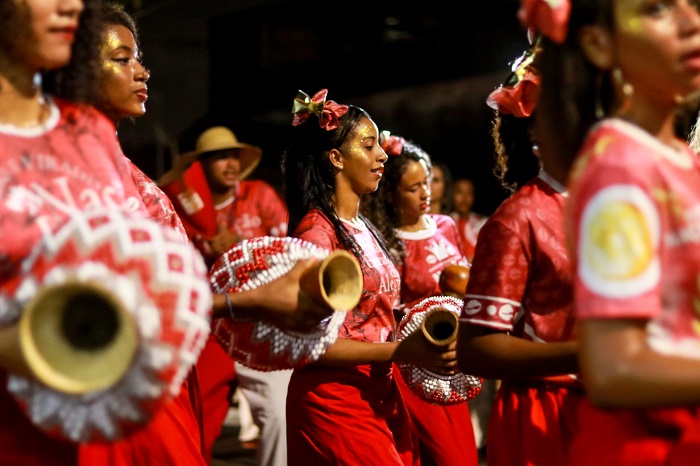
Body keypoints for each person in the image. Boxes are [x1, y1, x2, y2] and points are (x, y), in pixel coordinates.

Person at [0, 0, 184, 463]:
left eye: (137, 58)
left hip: (127, 391)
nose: (142, 72)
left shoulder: (105, 154)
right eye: (122, 59)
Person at [522, 0, 700, 464]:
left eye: (694, 4)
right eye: (657, 8)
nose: (691, 23)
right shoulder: (618, 170)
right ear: (600, 45)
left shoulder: (681, 161)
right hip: (650, 447)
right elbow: (613, 369)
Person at [281, 88, 459, 465]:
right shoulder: (317, 233)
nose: (381, 156)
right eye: (368, 145)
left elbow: (371, 314)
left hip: (379, 390)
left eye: (379, 145)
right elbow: (311, 344)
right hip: (335, 400)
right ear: (335, 158)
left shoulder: (361, 226)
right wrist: (399, 350)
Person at [456, 33, 582, 466]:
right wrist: (584, 354)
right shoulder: (518, 218)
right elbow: (476, 348)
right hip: (547, 419)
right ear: (538, 128)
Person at [160, 125, 292, 466]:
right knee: (199, 422)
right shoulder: (178, 207)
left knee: (281, 416)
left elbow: (290, 250)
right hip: (209, 328)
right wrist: (201, 245)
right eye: (220, 158)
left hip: (262, 325)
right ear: (200, 166)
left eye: (234, 156)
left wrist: (240, 248)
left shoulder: (259, 194)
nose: (231, 164)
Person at [362, 132, 478, 466]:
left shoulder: (445, 226)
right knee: (440, 455)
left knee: (462, 453)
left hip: (450, 358)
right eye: (413, 189)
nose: (425, 194)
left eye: (427, 183)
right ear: (390, 195)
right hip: (413, 363)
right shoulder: (386, 240)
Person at [450, 176, 488, 263]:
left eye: (469, 193)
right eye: (460, 192)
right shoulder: (445, 223)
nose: (465, 198)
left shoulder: (482, 223)